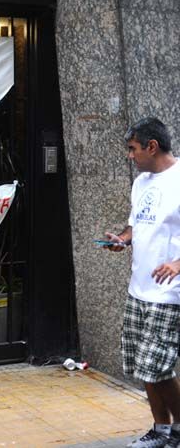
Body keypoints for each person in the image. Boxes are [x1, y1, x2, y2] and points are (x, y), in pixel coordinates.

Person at [103, 117, 180, 448]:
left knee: (157, 366)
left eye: (132, 149)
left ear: (152, 146)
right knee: (144, 366)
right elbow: (136, 226)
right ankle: (161, 429)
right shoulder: (141, 183)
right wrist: (121, 240)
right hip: (139, 289)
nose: (129, 156)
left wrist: (178, 263)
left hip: (170, 293)